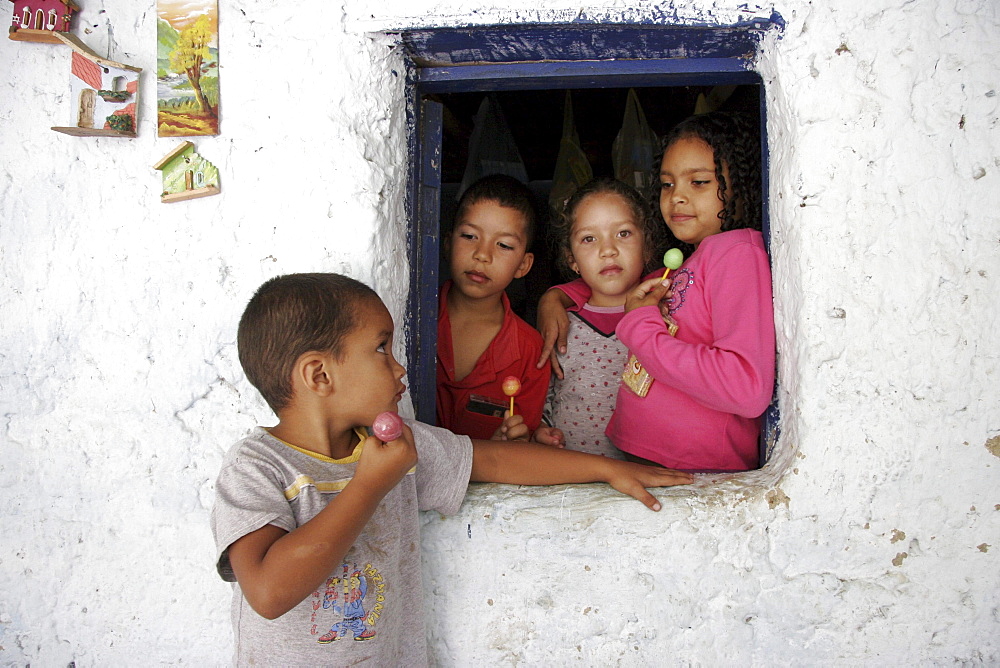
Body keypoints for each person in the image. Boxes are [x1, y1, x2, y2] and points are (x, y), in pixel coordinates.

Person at [211, 273, 693, 665]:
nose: (399, 369)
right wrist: (370, 486)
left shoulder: (395, 445)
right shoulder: (258, 466)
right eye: (381, 349)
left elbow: (495, 458)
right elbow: (269, 592)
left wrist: (604, 470)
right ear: (319, 375)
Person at [536, 111, 775, 472]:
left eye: (698, 182)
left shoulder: (737, 254)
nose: (677, 197)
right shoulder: (695, 260)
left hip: (694, 471)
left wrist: (642, 329)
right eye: (667, 184)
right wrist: (555, 295)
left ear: (739, 183)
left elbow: (746, 386)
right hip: (650, 462)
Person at [544, 177, 660, 458]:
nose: (607, 250)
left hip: (643, 479)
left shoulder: (662, 317)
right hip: (572, 479)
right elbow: (545, 396)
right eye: (589, 238)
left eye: (623, 233)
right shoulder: (561, 324)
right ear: (572, 259)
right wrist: (541, 430)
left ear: (646, 247)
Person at [437, 174, 551, 441]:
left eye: (504, 245)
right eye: (469, 236)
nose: (483, 254)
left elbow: (521, 439)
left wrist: (508, 443)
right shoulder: (412, 321)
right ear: (447, 242)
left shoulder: (530, 351)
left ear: (523, 265)